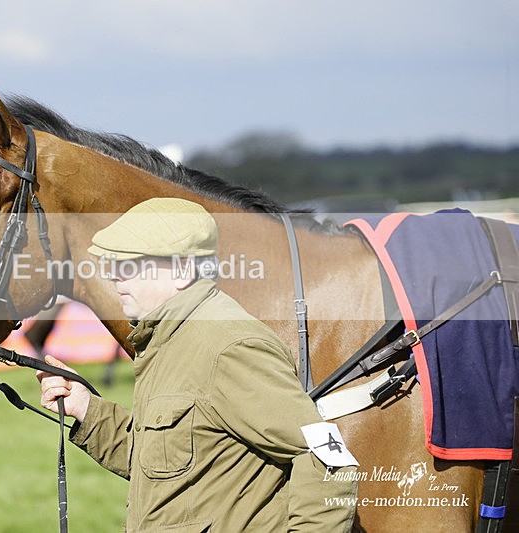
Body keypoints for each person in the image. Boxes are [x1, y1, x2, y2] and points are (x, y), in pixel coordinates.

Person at [37, 198, 358, 531]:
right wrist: (87, 409)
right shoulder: (171, 339)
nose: (115, 276)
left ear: (181, 270)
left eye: (130, 264)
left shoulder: (229, 345)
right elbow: (164, 463)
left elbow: (326, 458)